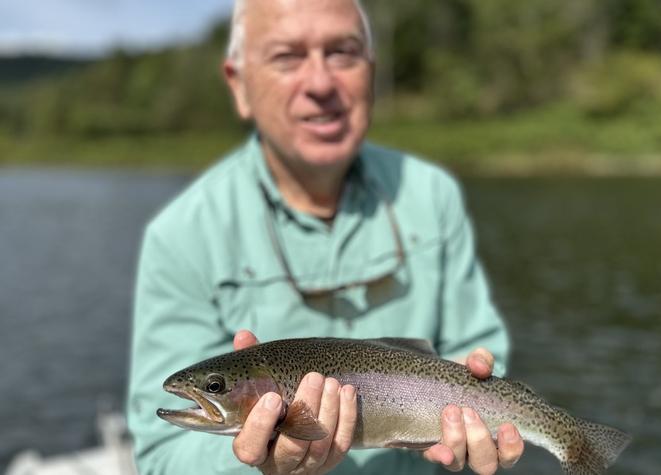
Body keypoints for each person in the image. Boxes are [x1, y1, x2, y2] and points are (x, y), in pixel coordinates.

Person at [127, 0, 525, 474]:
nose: (320, 83)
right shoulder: (180, 235)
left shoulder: (433, 193)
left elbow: (479, 352)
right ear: (239, 86)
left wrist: (485, 420)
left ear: (371, 73)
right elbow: (162, 456)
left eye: (342, 52)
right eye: (286, 57)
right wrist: (257, 463)